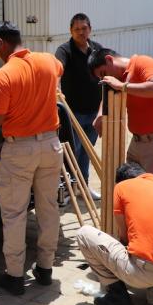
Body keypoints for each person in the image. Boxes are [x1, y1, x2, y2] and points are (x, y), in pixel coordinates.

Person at [0, 21, 63, 295]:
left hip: (19, 149)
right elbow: (60, 70)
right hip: (50, 144)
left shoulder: (5, 74)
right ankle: (45, 269)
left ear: (0, 43)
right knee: (48, 208)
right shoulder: (48, 61)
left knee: (14, 214)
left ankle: (14, 275)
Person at [77, 163, 153, 305]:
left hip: (141, 273)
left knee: (84, 234)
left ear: (121, 181)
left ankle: (117, 296)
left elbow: (124, 237)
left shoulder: (122, 187)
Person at [88, 48, 153, 181]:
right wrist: (100, 114)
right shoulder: (119, 79)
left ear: (109, 60)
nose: (105, 78)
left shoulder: (142, 62)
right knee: (131, 184)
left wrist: (122, 86)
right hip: (137, 143)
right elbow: (107, 95)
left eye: (103, 73)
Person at [55, 13, 103, 200]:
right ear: (71, 31)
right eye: (77, 29)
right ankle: (67, 189)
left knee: (86, 152)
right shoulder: (64, 50)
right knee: (71, 154)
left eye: (84, 28)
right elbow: (57, 68)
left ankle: (83, 187)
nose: (81, 32)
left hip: (93, 112)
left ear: (90, 29)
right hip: (72, 113)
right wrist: (56, 85)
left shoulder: (97, 49)